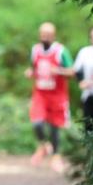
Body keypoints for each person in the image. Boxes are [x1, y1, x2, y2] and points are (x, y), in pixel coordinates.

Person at [26, 22, 74, 174]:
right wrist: (30, 73)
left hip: (57, 95)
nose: (44, 37)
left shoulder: (61, 51)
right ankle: (43, 145)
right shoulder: (35, 50)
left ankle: (56, 156)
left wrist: (58, 70)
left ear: (54, 36)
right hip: (40, 93)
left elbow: (72, 72)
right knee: (37, 123)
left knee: (54, 127)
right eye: (42, 34)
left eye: (48, 35)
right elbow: (33, 68)